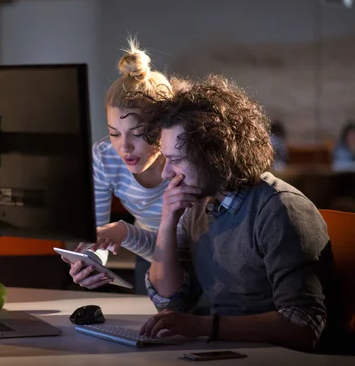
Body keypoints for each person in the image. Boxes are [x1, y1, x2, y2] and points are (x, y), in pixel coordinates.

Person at [124, 75, 335, 352]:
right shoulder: (199, 206)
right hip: (217, 350)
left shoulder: (281, 210)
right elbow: (170, 302)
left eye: (175, 160)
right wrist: (167, 222)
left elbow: (304, 324)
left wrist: (203, 326)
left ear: (215, 154)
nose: (165, 174)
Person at [65, 39, 183, 292]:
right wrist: (91, 261)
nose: (124, 148)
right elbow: (96, 234)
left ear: (163, 127)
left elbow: (186, 250)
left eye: (138, 133)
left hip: (200, 258)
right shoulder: (104, 156)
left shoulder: (185, 162)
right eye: (114, 133)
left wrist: (125, 232)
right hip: (147, 253)